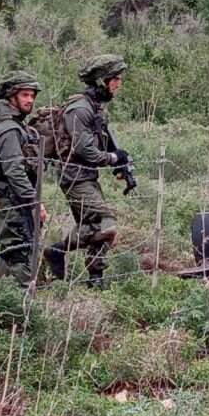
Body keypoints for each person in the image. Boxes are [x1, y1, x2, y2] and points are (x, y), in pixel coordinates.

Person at [43, 54, 131, 289]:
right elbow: (85, 151)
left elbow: (103, 143)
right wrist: (112, 158)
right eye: (115, 79)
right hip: (75, 177)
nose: (118, 84)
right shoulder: (79, 109)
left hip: (87, 176)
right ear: (102, 80)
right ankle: (57, 250)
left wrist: (121, 163)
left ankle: (96, 280)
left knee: (94, 226)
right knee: (106, 223)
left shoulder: (95, 107)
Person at [0, 71, 46, 286]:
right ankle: (19, 303)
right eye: (25, 95)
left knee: (10, 247)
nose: (30, 100)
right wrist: (34, 203)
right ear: (12, 97)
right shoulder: (9, 128)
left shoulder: (14, 124)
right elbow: (14, 171)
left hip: (12, 197)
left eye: (32, 96)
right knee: (19, 250)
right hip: (14, 199)